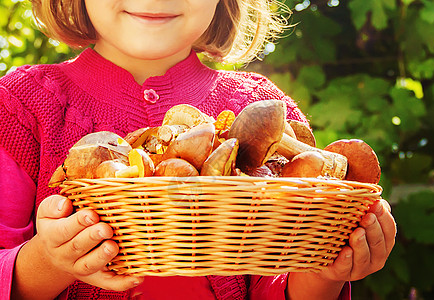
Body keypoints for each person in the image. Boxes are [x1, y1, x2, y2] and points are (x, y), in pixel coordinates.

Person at [0, 0, 397, 299]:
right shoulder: (22, 106)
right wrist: (48, 262)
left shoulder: (265, 111)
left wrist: (327, 270)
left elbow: (279, 279)